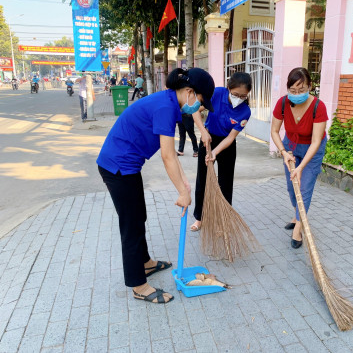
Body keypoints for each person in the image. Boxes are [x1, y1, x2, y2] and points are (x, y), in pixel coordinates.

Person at [96, 68, 215, 304]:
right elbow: (168, 156)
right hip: (118, 168)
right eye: (201, 102)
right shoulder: (166, 108)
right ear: (190, 92)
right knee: (131, 226)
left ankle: (146, 263)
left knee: (138, 216)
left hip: (127, 166)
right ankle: (138, 285)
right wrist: (181, 191)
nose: (200, 108)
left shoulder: (168, 102)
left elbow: (171, 156)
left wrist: (185, 185)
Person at [270, 67, 328, 249]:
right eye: (292, 91)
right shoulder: (282, 103)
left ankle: (299, 228)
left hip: (312, 149)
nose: (296, 94)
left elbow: (317, 140)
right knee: (290, 187)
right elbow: (274, 131)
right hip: (290, 147)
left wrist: (301, 167)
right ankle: (297, 215)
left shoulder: (319, 106)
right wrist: (283, 152)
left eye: (301, 90)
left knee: (304, 189)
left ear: (309, 86)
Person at [190, 72, 252, 232]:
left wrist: (215, 152)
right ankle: (199, 217)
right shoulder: (217, 93)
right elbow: (194, 110)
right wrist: (203, 131)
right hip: (208, 139)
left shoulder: (245, 111)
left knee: (225, 183)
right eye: (235, 94)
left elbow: (231, 138)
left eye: (243, 96)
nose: (239, 98)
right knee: (202, 179)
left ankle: (222, 219)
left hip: (226, 145)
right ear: (228, 88)